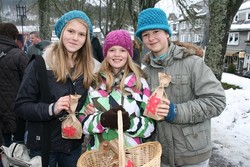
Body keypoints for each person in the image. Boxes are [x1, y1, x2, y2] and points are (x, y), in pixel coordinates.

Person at [135, 8, 226, 167]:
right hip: (160, 156)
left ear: (167, 33)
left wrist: (175, 111)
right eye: (145, 34)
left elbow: (216, 101)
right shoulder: (145, 73)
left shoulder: (193, 64)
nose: (151, 38)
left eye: (156, 31)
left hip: (192, 155)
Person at [14, 10, 95, 167]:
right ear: (61, 31)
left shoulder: (89, 68)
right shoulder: (40, 64)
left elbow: (88, 101)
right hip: (43, 146)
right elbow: (21, 106)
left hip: (73, 145)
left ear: (86, 39)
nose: (75, 38)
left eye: (81, 34)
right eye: (71, 31)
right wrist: (52, 108)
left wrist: (85, 109)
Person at [79, 29, 155, 150]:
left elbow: (150, 124)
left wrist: (128, 124)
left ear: (129, 54)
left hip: (131, 155)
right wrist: (102, 120)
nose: (117, 54)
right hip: (99, 154)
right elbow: (82, 123)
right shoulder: (94, 82)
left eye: (122, 50)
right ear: (106, 53)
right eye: (112, 50)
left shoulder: (140, 84)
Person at [0, 22, 28, 166]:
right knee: (15, 152)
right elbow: (29, 84)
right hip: (14, 113)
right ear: (14, 36)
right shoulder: (19, 55)